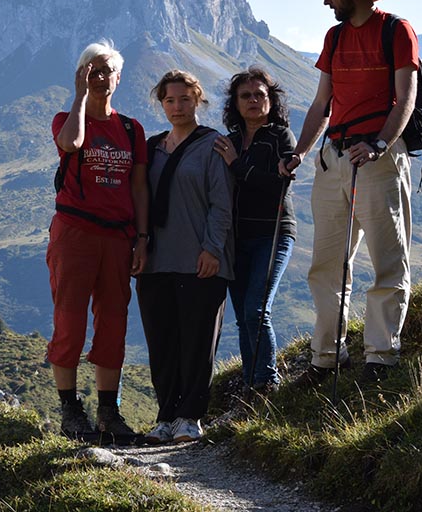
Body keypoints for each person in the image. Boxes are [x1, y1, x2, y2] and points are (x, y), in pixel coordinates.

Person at [281, 0, 418, 384]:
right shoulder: (335, 36)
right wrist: (300, 153)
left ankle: (381, 357)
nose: (327, 1)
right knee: (327, 264)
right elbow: (322, 104)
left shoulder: (397, 30)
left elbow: (405, 99)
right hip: (334, 158)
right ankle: (326, 358)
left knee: (387, 259)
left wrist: (379, 145)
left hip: (377, 158)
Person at [47, 40, 148, 440]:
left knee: (113, 322)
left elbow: (139, 187)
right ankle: (71, 412)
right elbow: (70, 144)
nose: (101, 77)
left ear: (119, 78)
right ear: (82, 75)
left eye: (107, 71)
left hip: (118, 236)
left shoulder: (131, 129)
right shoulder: (66, 119)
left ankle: (109, 413)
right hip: (75, 232)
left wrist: (142, 237)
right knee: (69, 319)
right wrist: (79, 96)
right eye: (93, 71)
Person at [137, 69, 233, 444]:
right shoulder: (151, 149)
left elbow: (221, 203)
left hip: (201, 260)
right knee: (162, 343)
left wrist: (212, 249)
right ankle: (166, 416)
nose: (177, 107)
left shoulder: (212, 145)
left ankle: (190, 417)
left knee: (198, 342)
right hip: (156, 261)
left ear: (198, 101)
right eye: (170, 100)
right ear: (161, 104)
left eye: (185, 99)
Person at [213, 67, 296, 393]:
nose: (252, 100)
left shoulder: (281, 137)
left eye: (259, 95)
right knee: (244, 317)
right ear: (235, 102)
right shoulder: (230, 141)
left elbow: (277, 187)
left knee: (256, 310)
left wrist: (236, 165)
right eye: (245, 95)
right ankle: (251, 386)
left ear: (270, 100)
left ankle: (267, 383)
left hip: (273, 234)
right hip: (237, 238)